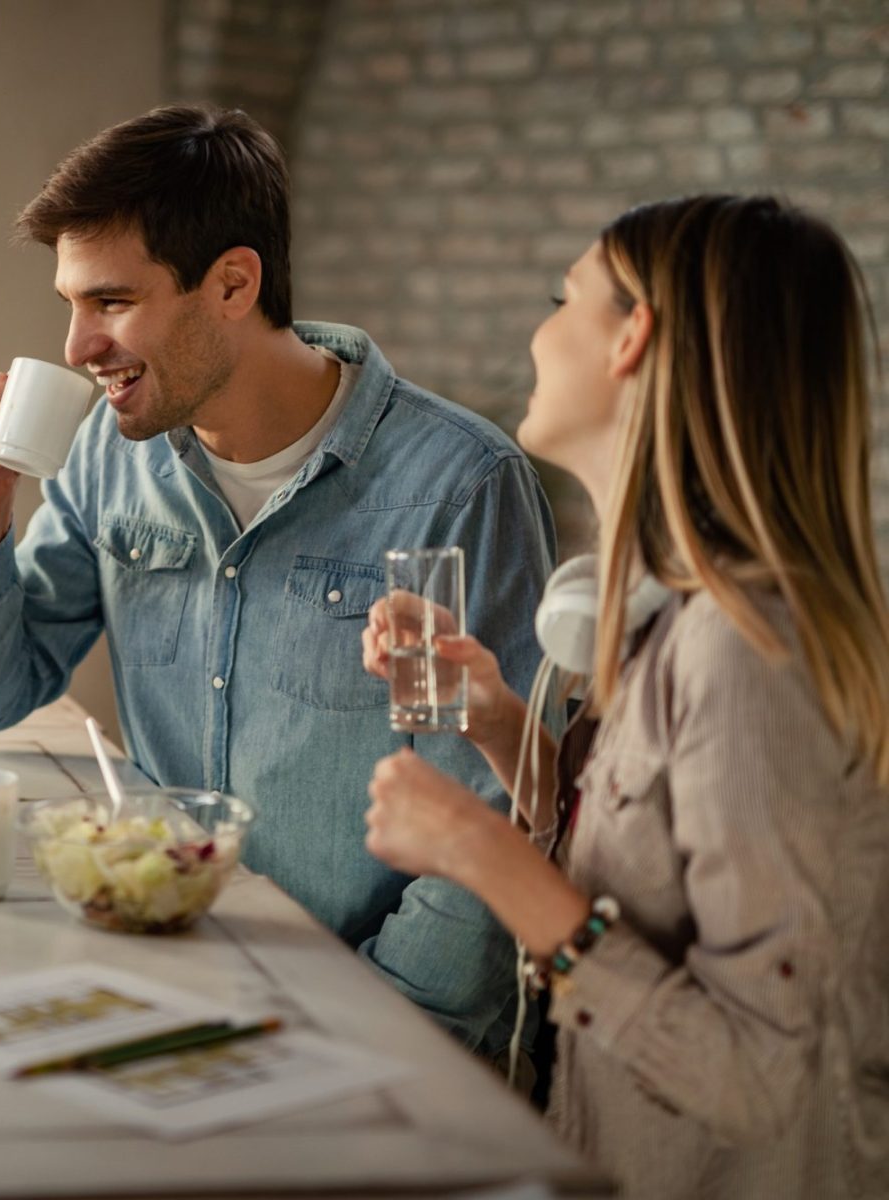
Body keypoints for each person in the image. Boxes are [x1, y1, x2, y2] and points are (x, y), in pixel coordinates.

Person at [0, 105, 557, 1051]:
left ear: (232, 283)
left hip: (371, 1024)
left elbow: (491, 823)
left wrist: (368, 1033)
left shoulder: (458, 486)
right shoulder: (109, 456)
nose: (77, 347)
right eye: (71, 303)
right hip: (170, 976)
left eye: (112, 302)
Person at [360, 195, 889, 1198]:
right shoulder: (672, 620)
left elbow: (759, 1074)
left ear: (632, 336)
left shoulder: (745, 654)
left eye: (564, 297)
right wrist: (502, 723)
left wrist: (485, 856)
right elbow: (652, 870)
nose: (539, 328)